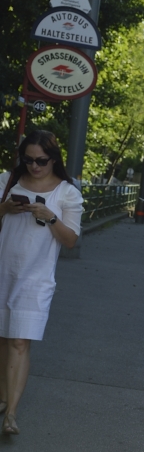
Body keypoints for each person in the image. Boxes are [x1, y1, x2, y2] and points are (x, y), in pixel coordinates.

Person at [0, 130, 83, 436]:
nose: (34, 166)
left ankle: (11, 414)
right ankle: (3, 397)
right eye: (28, 160)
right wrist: (5, 207)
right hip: (2, 272)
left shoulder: (67, 193)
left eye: (42, 161)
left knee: (20, 341)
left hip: (36, 279)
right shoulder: (7, 181)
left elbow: (71, 241)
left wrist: (50, 217)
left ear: (54, 159)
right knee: (3, 341)